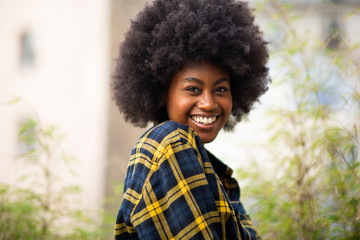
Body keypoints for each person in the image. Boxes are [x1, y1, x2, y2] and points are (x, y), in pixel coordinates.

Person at [112, 0, 269, 239]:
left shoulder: (205, 165)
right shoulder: (171, 144)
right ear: (163, 93)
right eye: (193, 89)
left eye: (221, 89)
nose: (209, 103)